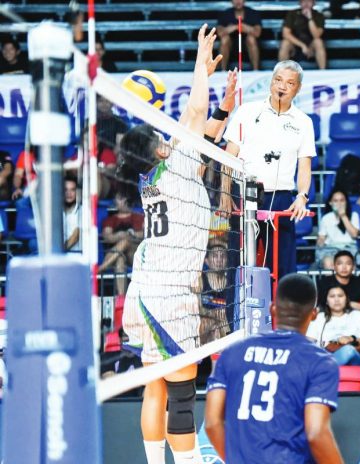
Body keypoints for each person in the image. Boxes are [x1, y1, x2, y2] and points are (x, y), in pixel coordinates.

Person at [120, 25, 230, 464]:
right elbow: (195, 114)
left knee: (154, 386)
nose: (172, 138)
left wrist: (223, 106)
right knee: (182, 395)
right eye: (164, 139)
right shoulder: (178, 163)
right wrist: (200, 64)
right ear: (160, 149)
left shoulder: (157, 175)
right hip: (170, 293)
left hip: (146, 284)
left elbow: (202, 133)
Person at [205, 274, 343, 464]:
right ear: (313, 314)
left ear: (272, 309)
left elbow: (212, 423)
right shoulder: (319, 361)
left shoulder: (232, 352)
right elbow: (316, 432)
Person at [223, 60, 315, 279]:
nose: (282, 87)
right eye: (278, 80)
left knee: (284, 269)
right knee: (236, 264)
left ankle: (282, 313)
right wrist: (225, 192)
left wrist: (302, 196)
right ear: (271, 83)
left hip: (281, 197)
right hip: (244, 194)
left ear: (298, 88)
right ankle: (235, 313)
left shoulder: (304, 122)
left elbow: (304, 167)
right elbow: (229, 156)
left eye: (289, 83)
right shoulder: (247, 111)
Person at [306, 285, 360, 366]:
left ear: (346, 299)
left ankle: (323, 368)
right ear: (326, 301)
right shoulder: (319, 318)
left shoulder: (357, 315)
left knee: (348, 351)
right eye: (332, 296)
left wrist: (352, 339)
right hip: (325, 355)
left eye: (340, 296)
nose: (336, 300)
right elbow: (308, 343)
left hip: (353, 357)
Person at [98, 193, 144, 295]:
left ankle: (101, 268)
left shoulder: (139, 217)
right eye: (120, 198)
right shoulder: (110, 220)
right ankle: (121, 297)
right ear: (115, 201)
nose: (123, 201)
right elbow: (107, 237)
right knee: (119, 260)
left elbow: (144, 234)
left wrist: (131, 234)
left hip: (135, 255)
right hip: (116, 255)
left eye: (125, 198)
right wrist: (119, 235)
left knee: (126, 241)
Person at [316, 189, 360, 270]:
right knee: (327, 262)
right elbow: (321, 238)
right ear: (330, 203)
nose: (339, 204)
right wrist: (320, 240)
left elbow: (354, 235)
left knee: (348, 263)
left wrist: (343, 216)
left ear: (346, 202)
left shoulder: (354, 215)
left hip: (349, 248)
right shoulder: (326, 218)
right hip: (331, 248)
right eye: (335, 201)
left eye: (342, 200)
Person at [279, 0, 327, 70]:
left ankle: (323, 71)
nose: (306, 4)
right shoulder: (292, 14)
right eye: (304, 1)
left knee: (318, 41)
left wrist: (310, 18)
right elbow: (285, 33)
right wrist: (302, 45)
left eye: (309, 1)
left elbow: (316, 35)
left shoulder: (318, 15)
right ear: (300, 3)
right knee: (285, 43)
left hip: (311, 48)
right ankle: (282, 72)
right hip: (294, 47)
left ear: (313, 3)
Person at [217, 0, 262, 71]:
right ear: (231, 1)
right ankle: (223, 70)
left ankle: (255, 69)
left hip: (247, 45)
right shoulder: (225, 13)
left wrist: (244, 27)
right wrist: (236, 27)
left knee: (251, 39)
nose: (238, 1)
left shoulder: (252, 13)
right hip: (231, 45)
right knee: (224, 39)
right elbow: (219, 33)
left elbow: (257, 33)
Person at [200, 240, 230, 344]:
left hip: (224, 324)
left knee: (224, 323)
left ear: (227, 261)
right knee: (206, 323)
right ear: (206, 261)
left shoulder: (231, 283)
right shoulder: (200, 280)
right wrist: (213, 314)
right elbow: (195, 309)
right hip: (205, 325)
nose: (219, 259)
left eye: (222, 256)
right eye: (215, 255)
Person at [63, 176, 82, 253]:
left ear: (77, 192)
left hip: (77, 257)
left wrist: (58, 252)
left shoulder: (83, 210)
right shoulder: (55, 212)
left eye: (72, 190)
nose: (69, 193)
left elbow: (75, 236)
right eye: (65, 190)